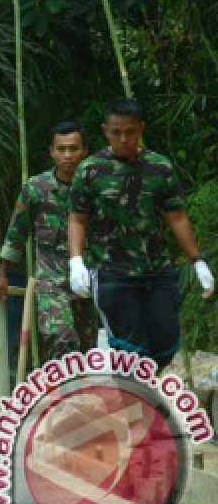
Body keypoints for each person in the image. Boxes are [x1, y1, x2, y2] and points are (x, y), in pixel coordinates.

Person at [68, 98, 213, 368]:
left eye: (130, 131)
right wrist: (75, 261)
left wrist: (197, 260)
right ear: (105, 131)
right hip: (112, 273)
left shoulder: (160, 167)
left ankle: (150, 405)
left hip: (157, 271)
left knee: (165, 345)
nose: (123, 138)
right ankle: (134, 407)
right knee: (132, 355)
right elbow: (77, 219)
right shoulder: (89, 170)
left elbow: (177, 216)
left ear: (141, 129)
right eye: (116, 132)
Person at [0, 121, 98, 362]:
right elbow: (17, 231)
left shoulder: (96, 187)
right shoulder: (36, 188)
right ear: (51, 151)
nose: (67, 156)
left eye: (73, 149)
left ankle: (79, 394)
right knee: (60, 337)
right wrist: (3, 273)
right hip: (51, 277)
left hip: (87, 276)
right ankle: (59, 394)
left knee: (88, 347)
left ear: (84, 151)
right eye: (61, 150)